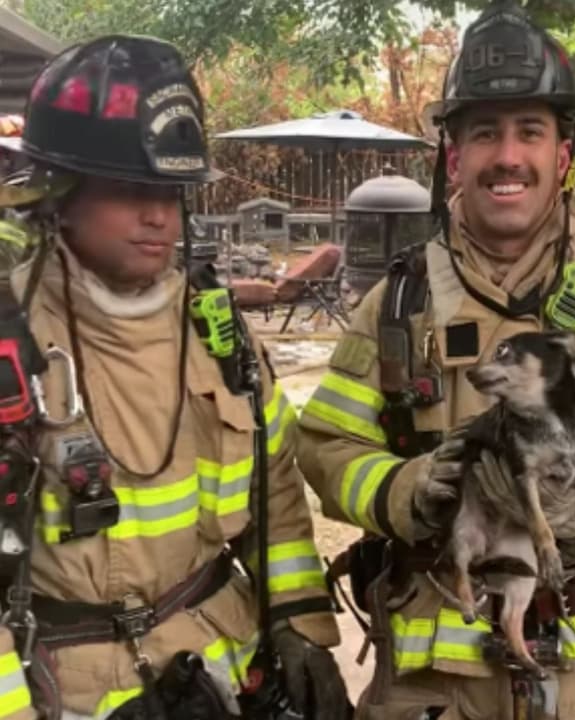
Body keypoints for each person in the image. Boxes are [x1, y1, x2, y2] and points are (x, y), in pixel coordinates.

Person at [295, 4, 575, 718]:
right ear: (454, 156)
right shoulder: (397, 306)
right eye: (485, 132)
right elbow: (326, 448)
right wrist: (405, 491)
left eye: (530, 132)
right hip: (432, 684)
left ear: (563, 157)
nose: (508, 155)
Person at [0, 35, 347, 719]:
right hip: (66, 693)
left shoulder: (217, 332)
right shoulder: (12, 344)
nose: (159, 214)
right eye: (131, 188)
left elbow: (273, 489)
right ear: (60, 191)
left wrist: (300, 628)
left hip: (219, 674)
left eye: (171, 190)